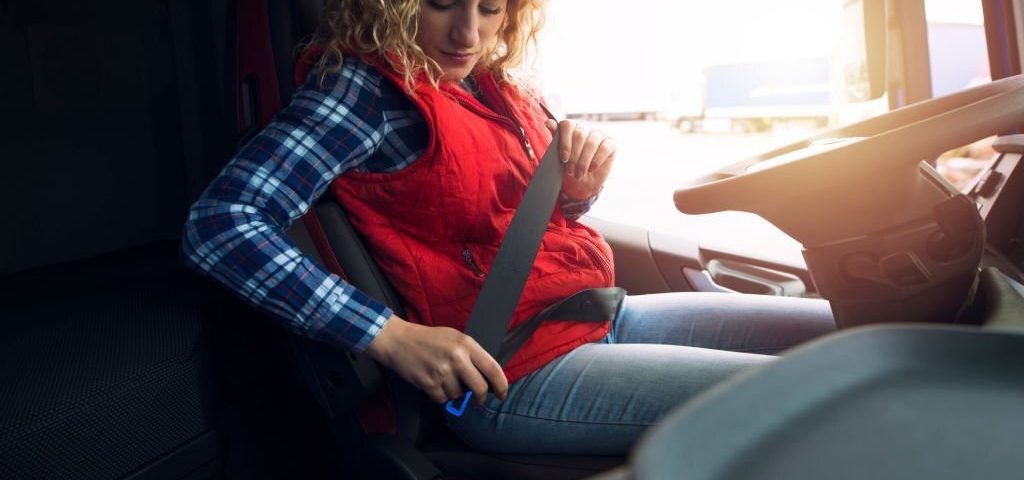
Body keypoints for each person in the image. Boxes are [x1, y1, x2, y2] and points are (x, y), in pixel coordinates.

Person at [181, 0, 835, 455]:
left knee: (849, 330)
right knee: (818, 400)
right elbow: (221, 225)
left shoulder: (496, 85)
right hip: (510, 373)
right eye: (443, 3)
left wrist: (576, 189)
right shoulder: (363, 91)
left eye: (490, 8)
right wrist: (390, 335)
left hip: (593, 316)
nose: (468, 32)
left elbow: (510, 226)